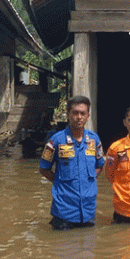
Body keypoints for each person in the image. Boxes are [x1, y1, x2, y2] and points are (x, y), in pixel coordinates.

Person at [39, 95, 105, 230]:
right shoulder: (55, 140)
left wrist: (90, 179)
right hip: (64, 210)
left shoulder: (94, 140)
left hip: (88, 210)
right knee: (63, 248)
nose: (79, 117)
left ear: (87, 115)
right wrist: (59, 182)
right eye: (75, 113)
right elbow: (43, 168)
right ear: (68, 114)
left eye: (83, 113)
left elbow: (100, 164)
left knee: (88, 248)